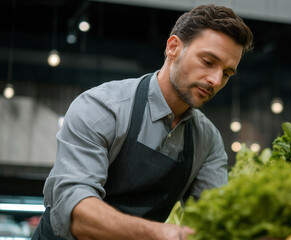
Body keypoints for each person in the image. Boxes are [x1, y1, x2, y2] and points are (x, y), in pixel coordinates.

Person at [32, 4, 253, 240]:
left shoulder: (207, 140)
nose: (216, 80)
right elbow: (75, 213)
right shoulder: (103, 108)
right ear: (173, 48)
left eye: (227, 73)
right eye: (208, 62)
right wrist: (157, 233)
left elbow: (214, 220)